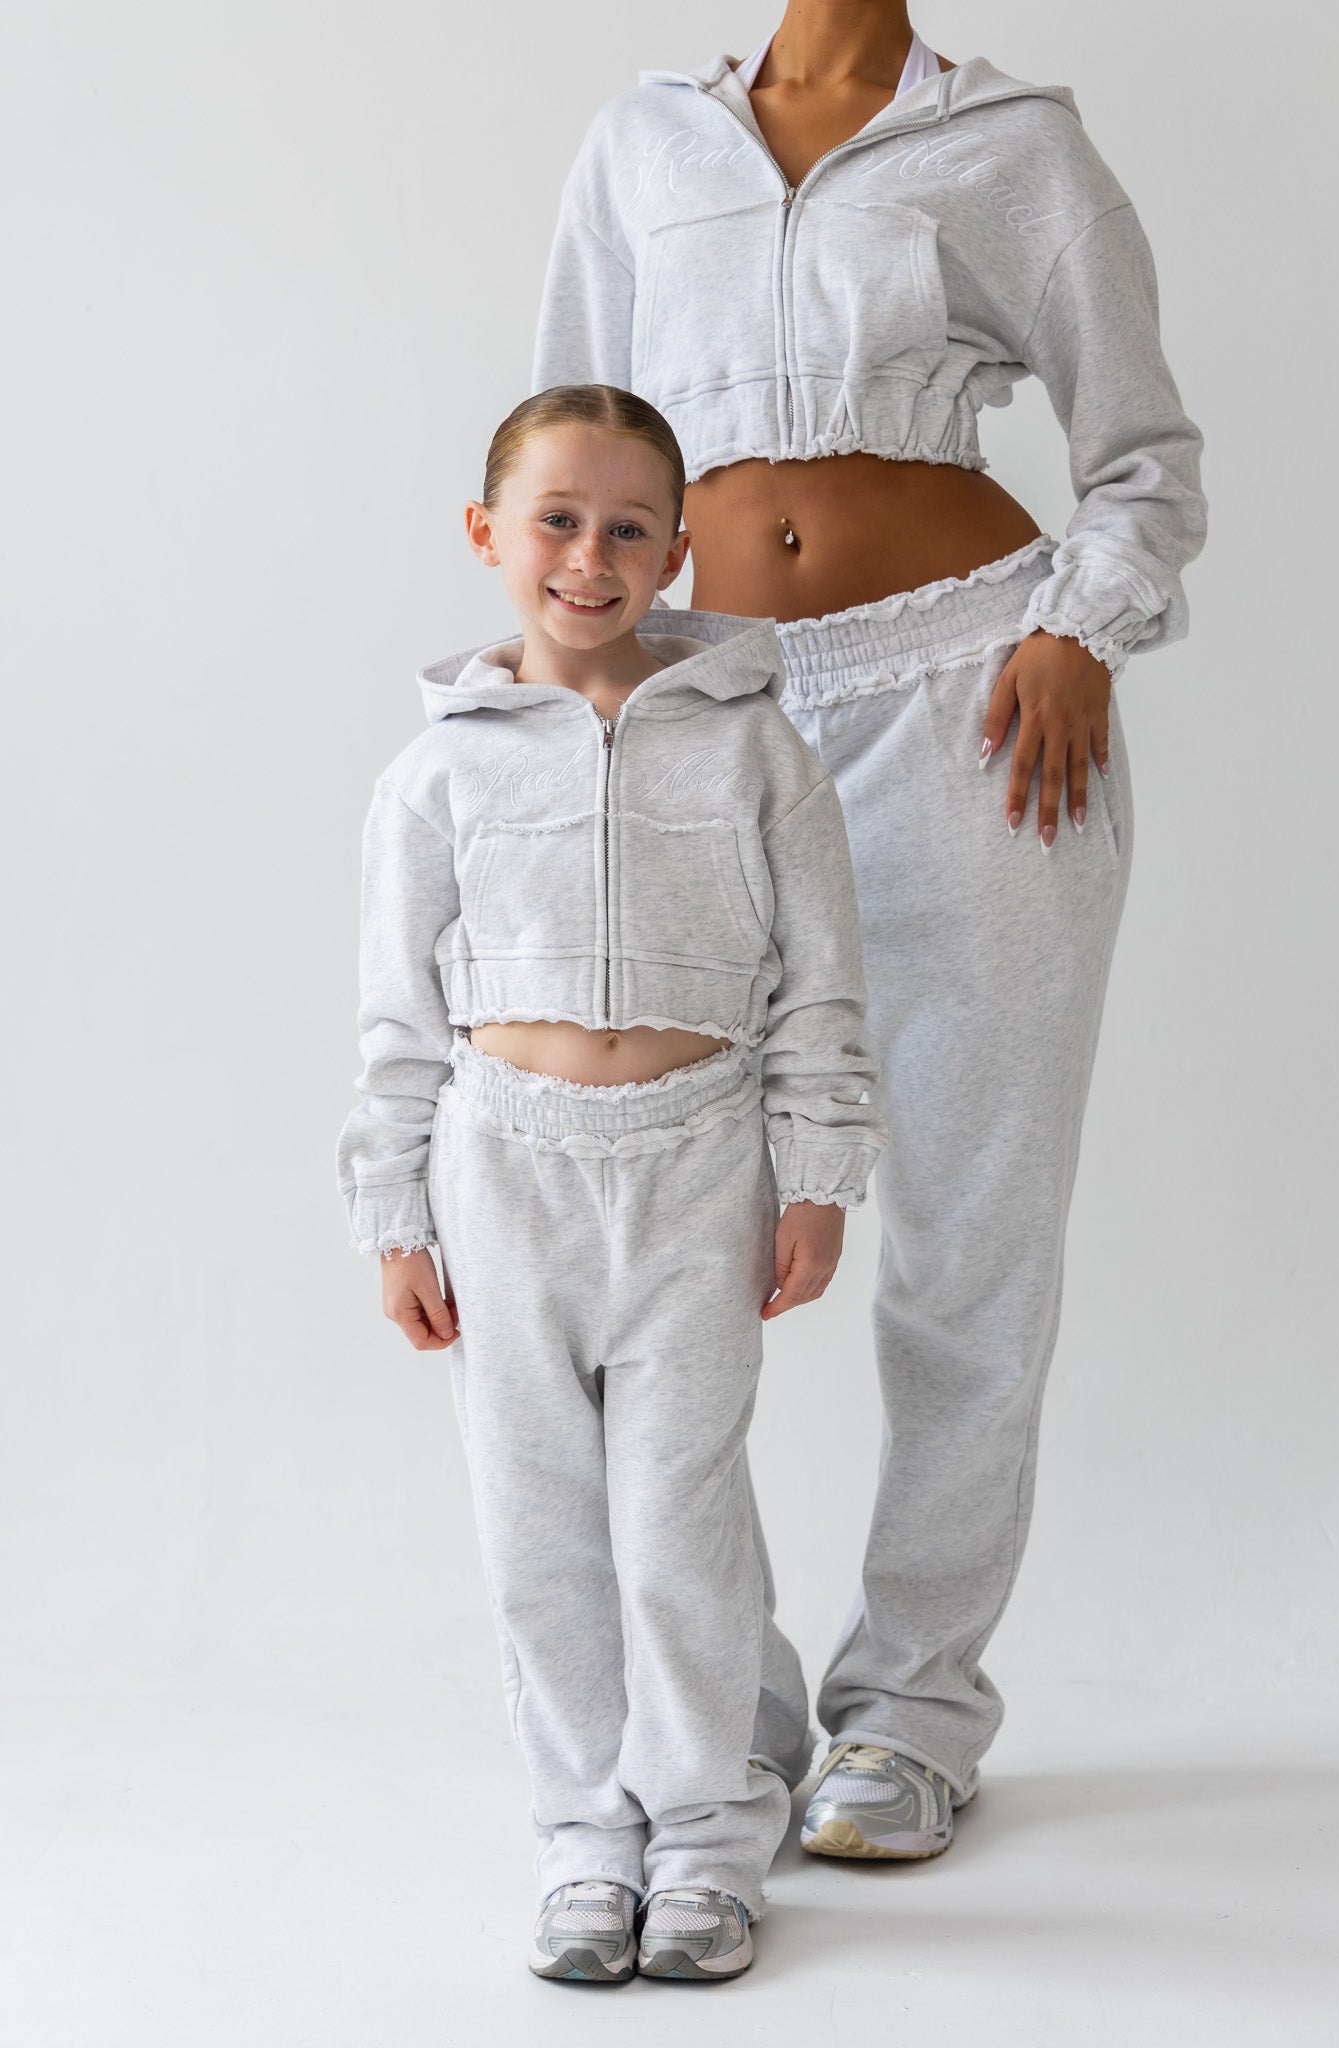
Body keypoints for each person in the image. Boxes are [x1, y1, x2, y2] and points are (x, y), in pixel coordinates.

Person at [533, 6, 1207, 1859]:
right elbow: (570, 457)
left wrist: (1077, 627)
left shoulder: (1014, 145)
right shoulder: (642, 146)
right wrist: (576, 721)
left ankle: (912, 1706)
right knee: (666, 1232)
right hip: (706, 721)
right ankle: (724, 1702)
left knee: (969, 1226)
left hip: (971, 706)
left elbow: (1141, 454)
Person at [336, 384, 885, 1980]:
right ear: (487, 535)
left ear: (676, 550)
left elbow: (822, 984)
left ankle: (707, 1836)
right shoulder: (433, 777)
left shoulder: (756, 750)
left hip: (698, 1176)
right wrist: (394, 1215)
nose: (589, 558)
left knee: (673, 1534)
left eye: (628, 528)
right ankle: (586, 1839)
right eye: (557, 522)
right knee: (541, 1536)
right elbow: (395, 1020)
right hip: (500, 1184)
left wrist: (815, 1175)